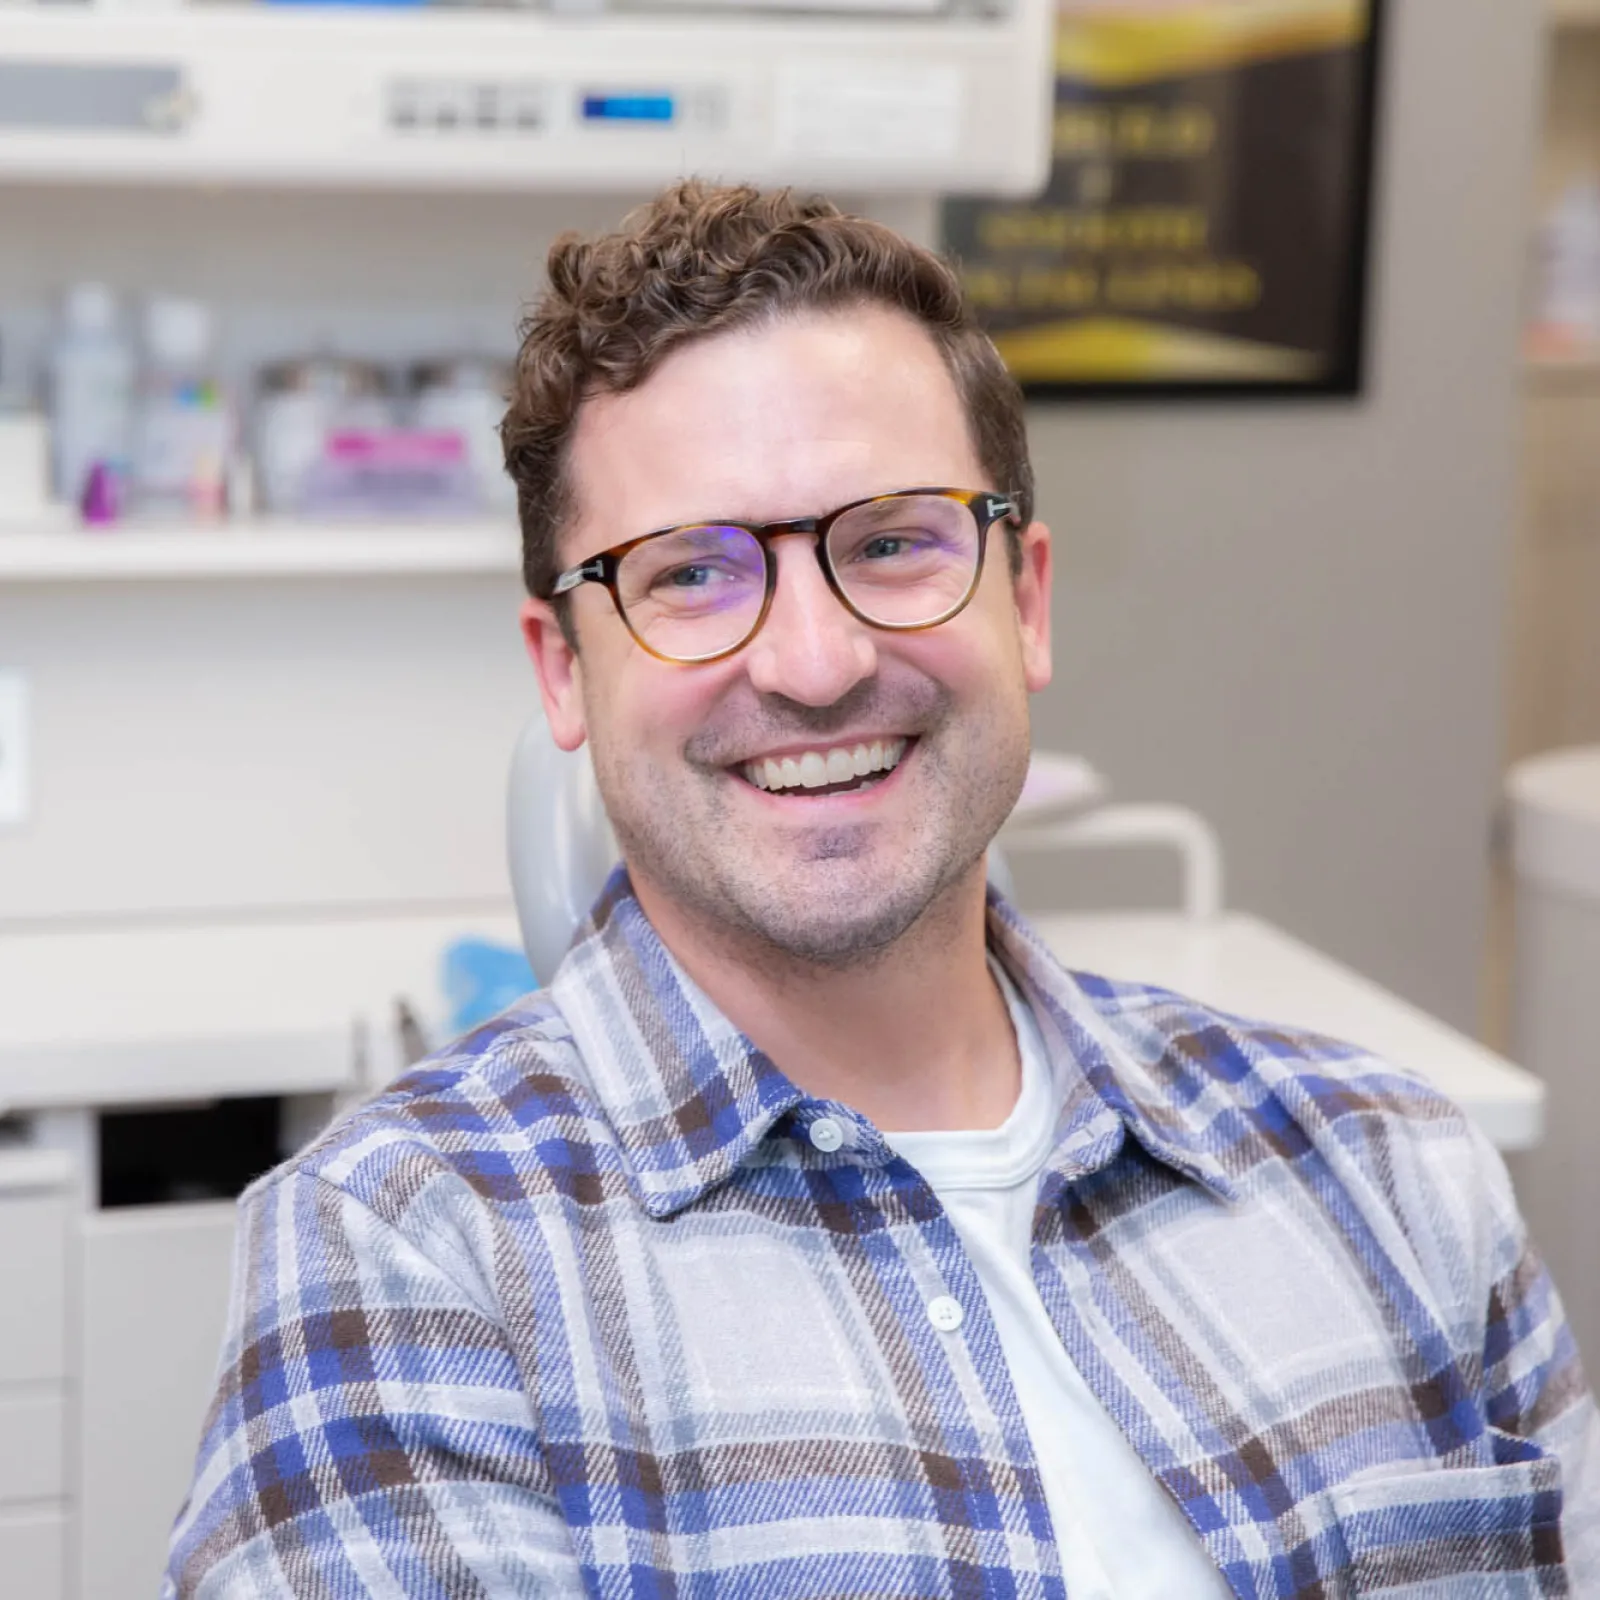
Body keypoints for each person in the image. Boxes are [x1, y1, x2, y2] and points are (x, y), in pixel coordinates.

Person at [166, 181, 1599, 1598]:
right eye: (690, 574)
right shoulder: (409, 1259)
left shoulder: (1393, 1173)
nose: (815, 662)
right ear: (563, 670)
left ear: (1024, 601)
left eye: (895, 543)